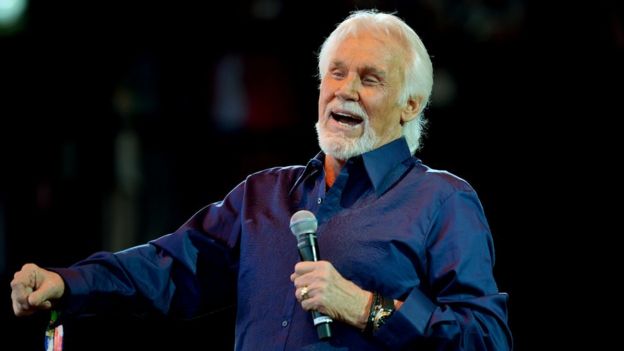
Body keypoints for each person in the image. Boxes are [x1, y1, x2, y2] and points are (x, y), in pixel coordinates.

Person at [10, 10, 512, 350]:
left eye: (370, 79)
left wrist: (363, 308)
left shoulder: (442, 200)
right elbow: (169, 267)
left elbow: (486, 337)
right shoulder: (265, 194)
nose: (346, 92)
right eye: (336, 74)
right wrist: (68, 283)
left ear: (411, 105)